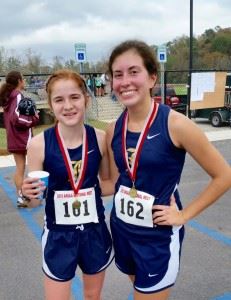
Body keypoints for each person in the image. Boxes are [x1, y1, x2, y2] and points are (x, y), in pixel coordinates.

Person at [105, 40, 231, 300]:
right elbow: (114, 183)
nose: (125, 81)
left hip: (157, 239)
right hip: (122, 229)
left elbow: (224, 175)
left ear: (152, 77)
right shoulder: (113, 129)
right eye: (118, 75)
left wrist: (184, 215)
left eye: (133, 71)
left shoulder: (176, 124)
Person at [21, 69, 113, 300]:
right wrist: (27, 194)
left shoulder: (100, 138)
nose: (68, 106)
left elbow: (109, 184)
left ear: (86, 99)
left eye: (74, 97)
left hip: (94, 232)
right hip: (58, 236)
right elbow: (33, 202)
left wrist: (85, 193)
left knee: (93, 297)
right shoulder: (39, 145)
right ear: (51, 106)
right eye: (59, 100)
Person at [0, 70, 39, 208]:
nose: (24, 81)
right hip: (23, 138)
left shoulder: (7, 97)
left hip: (13, 137)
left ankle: (22, 197)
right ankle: (33, 195)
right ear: (18, 81)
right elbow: (18, 119)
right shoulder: (17, 95)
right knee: (36, 166)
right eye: (23, 78)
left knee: (20, 168)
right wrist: (34, 119)